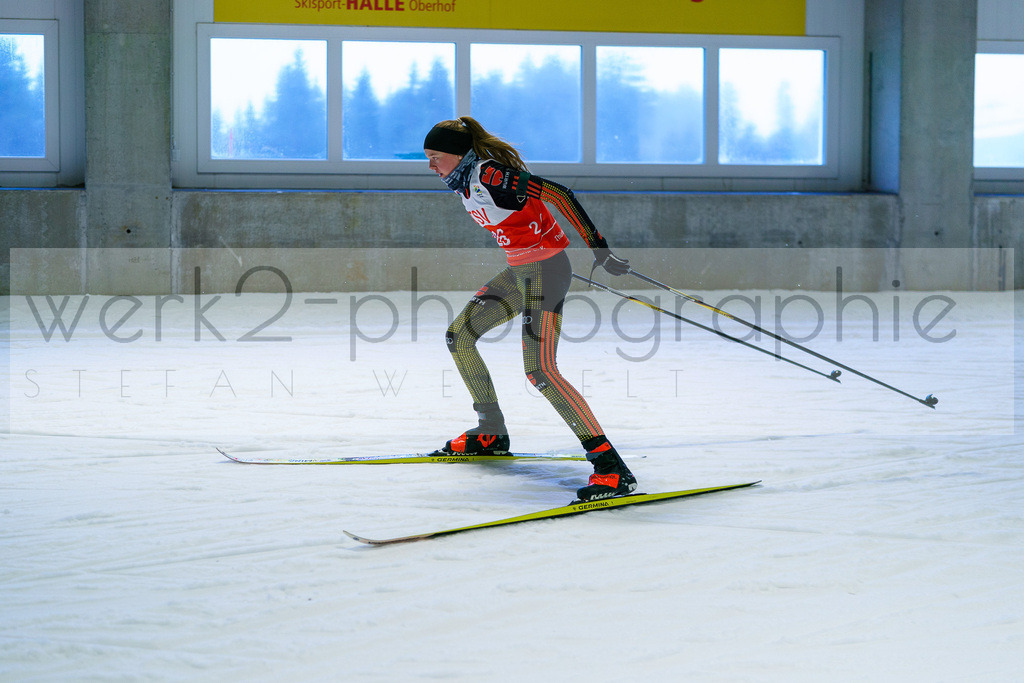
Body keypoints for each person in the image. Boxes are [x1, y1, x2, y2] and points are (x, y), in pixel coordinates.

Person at [423, 116, 637, 502]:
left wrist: (600, 250)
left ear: (458, 154)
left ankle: (610, 467)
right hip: (522, 270)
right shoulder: (465, 181)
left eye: (436, 157)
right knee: (460, 336)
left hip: (545, 270)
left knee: (540, 370)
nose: (431, 166)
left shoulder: (490, 174)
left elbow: (559, 194)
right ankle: (490, 432)